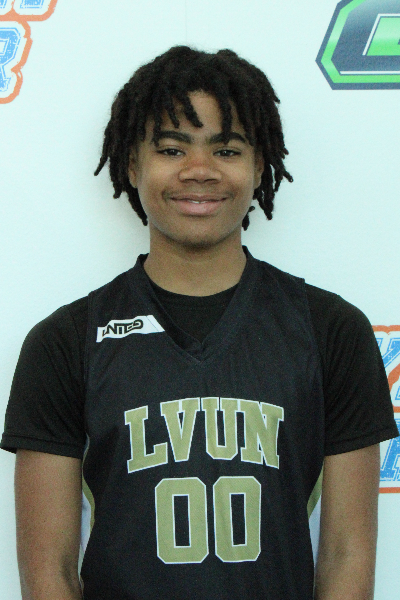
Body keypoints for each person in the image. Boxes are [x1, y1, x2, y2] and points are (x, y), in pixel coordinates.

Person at [1, 46, 398, 600]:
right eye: (171, 148)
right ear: (133, 164)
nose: (199, 170)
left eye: (226, 149)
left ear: (258, 166)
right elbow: (51, 573)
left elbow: (347, 556)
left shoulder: (331, 330)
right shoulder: (65, 342)